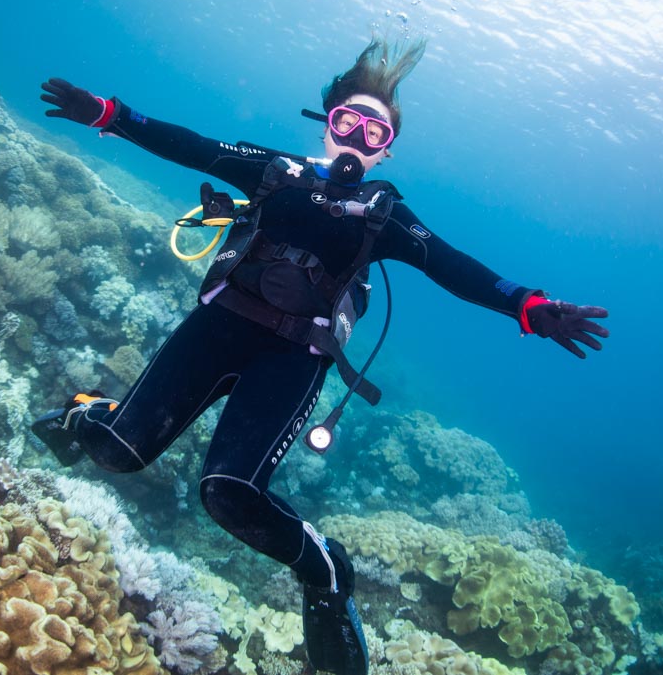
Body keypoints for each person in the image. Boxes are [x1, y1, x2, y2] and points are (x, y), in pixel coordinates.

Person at [34, 39, 609, 675]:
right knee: (117, 452)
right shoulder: (275, 171)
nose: (358, 140)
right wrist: (111, 115)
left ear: (387, 150)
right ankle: (85, 413)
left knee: (228, 495)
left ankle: (327, 571)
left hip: (294, 357)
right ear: (326, 124)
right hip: (217, 328)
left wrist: (527, 304)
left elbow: (453, 266)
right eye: (347, 123)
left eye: (375, 132)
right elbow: (192, 145)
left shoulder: (387, 216)